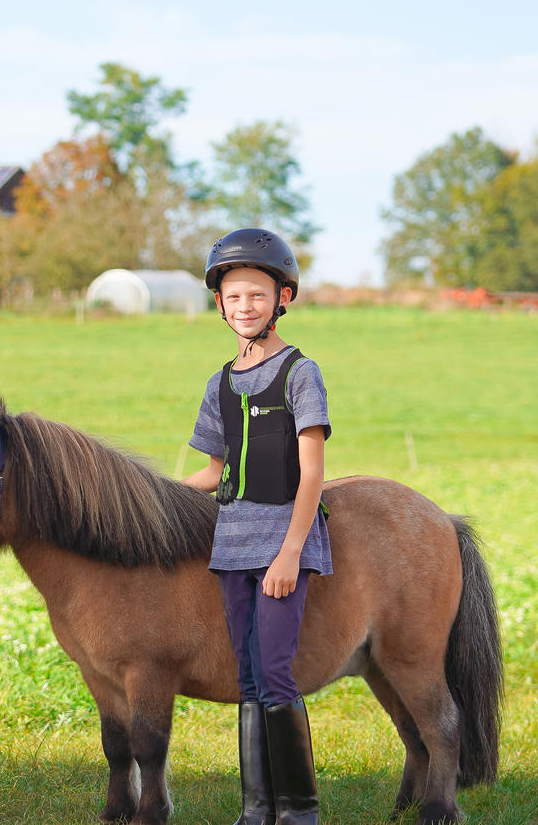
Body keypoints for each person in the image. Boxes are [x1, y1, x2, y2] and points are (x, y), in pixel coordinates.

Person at [180, 228, 331, 825]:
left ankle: (298, 813)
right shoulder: (220, 382)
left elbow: (314, 472)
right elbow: (213, 471)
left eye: (257, 295)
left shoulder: (301, 372)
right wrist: (153, 494)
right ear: (219, 304)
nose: (245, 306)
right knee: (245, 676)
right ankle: (256, 809)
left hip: (281, 544)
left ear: (283, 297)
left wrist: (291, 552)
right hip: (232, 545)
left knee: (272, 671)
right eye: (234, 296)